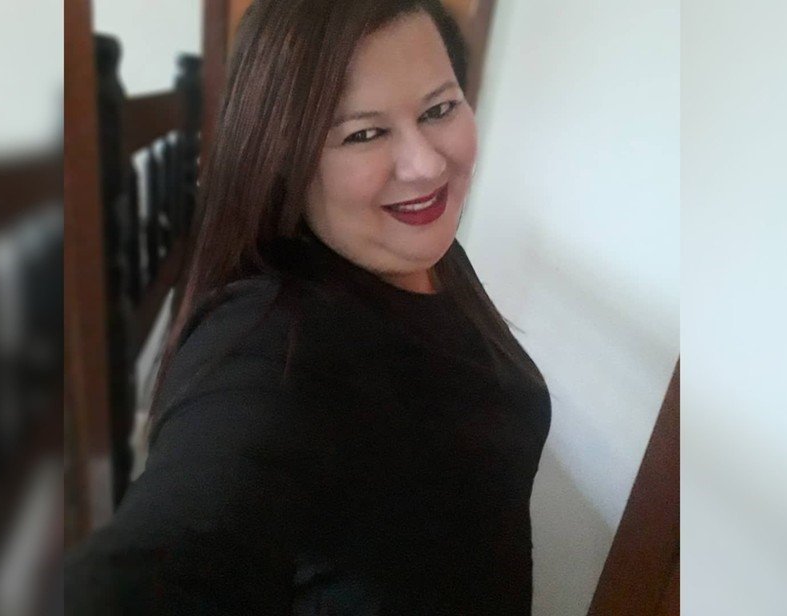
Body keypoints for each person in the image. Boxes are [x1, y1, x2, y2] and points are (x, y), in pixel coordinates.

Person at [65, 0, 551, 613]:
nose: (427, 164)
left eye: (439, 109)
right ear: (284, 157)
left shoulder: (423, 250)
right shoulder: (269, 350)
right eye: (364, 133)